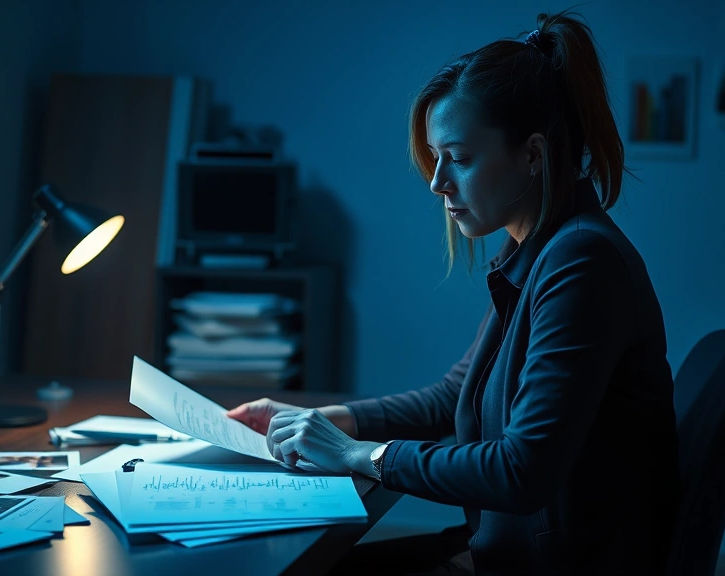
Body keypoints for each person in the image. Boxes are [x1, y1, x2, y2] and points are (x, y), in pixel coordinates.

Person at [227, 10, 680, 576]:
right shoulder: (538, 253)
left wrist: (357, 456)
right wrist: (319, 419)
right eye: (436, 159)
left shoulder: (581, 262)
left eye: (459, 159)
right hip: (516, 548)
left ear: (533, 155)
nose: (438, 182)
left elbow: (521, 470)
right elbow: (450, 398)